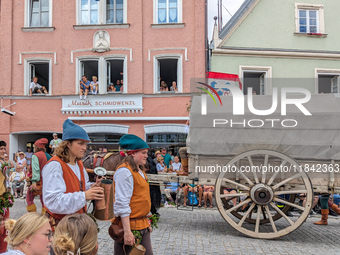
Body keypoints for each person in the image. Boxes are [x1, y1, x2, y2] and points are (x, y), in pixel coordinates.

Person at [42, 120, 104, 255]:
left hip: (79, 225)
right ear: (68, 144)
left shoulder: (79, 164)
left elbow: (79, 186)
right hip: (61, 228)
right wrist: (85, 196)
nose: (84, 148)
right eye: (80, 143)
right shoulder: (55, 166)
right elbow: (52, 201)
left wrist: (92, 187)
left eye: (86, 144)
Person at [113, 134, 153, 255]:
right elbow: (122, 203)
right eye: (143, 152)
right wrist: (127, 232)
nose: (146, 155)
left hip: (141, 224)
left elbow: (141, 198)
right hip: (131, 225)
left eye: (147, 152)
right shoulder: (124, 172)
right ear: (132, 153)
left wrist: (147, 221)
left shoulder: (139, 169)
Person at [26, 138, 51, 213]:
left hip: (37, 181)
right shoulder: (48, 156)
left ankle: (33, 217)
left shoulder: (35, 155)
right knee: (44, 201)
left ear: (37, 147)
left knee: (29, 199)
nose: (34, 148)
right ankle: (44, 218)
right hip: (46, 181)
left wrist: (34, 181)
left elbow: (36, 169)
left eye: (34, 146)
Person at [0, 140, 10, 253]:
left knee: (4, 229)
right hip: (1, 199)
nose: (3, 151)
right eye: (1, 149)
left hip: (4, 199)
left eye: (4, 148)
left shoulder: (3, 164)